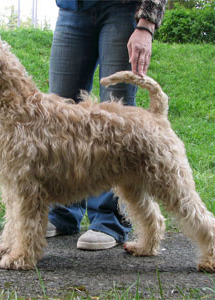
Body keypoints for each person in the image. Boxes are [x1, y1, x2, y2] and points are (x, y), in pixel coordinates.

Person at [47, 0, 167, 250]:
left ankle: (108, 220)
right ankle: (62, 215)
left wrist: (146, 24)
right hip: (72, 8)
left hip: (122, 9)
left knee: (118, 127)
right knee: (60, 119)